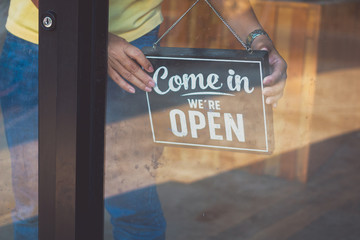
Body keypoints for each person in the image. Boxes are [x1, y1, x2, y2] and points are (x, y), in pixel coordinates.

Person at [0, 0, 286, 239]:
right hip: (38, 40)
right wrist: (96, 38)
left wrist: (257, 39)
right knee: (36, 205)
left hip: (134, 48)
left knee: (133, 204)